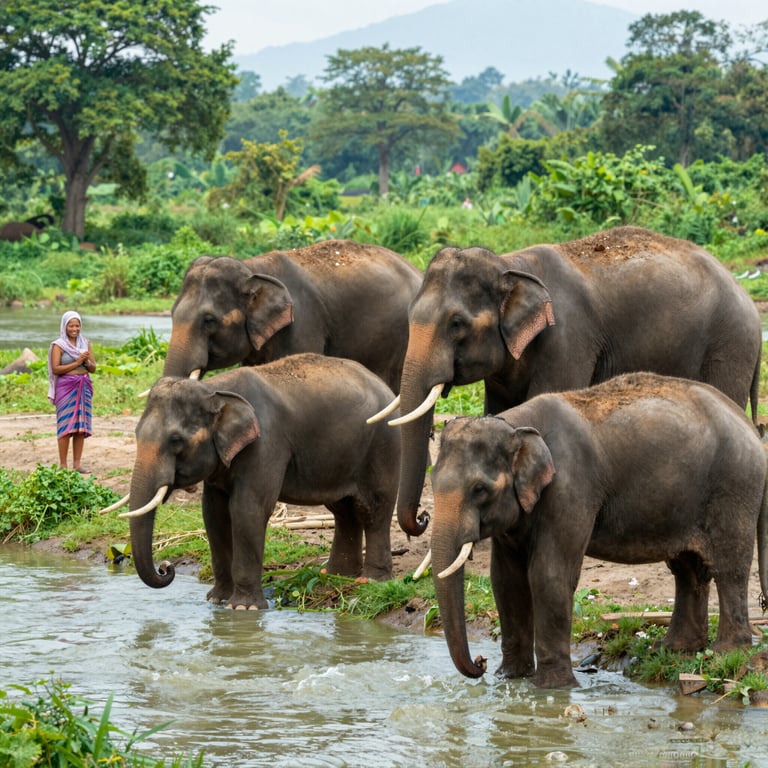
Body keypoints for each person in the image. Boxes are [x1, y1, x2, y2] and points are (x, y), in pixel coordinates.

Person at [47, 311, 96, 473]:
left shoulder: (85, 343)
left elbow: (93, 369)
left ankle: (77, 464)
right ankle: (63, 465)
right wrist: (77, 362)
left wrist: (86, 361)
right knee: (65, 425)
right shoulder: (58, 345)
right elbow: (56, 369)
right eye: (71, 325)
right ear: (64, 326)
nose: (74, 329)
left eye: (77, 325)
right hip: (66, 387)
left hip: (83, 387)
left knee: (81, 427)